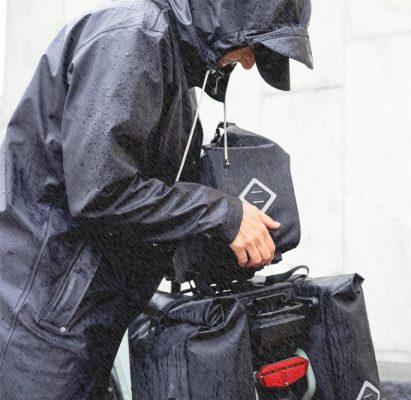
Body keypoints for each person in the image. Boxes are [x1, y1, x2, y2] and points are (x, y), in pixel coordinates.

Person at [0, 0, 312, 398]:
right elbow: (101, 191)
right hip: (43, 316)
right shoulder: (134, 35)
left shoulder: (169, 59)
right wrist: (224, 215)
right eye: (255, 46)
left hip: (80, 313)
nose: (250, 64)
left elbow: (142, 202)